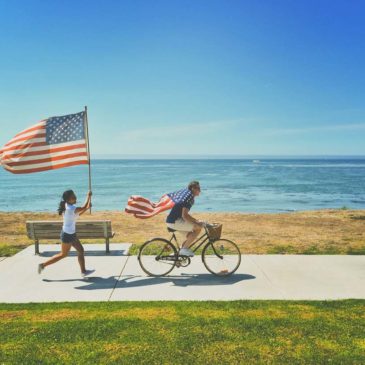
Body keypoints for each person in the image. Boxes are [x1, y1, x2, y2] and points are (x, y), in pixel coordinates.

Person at [38, 190, 94, 278]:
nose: (75, 198)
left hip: (71, 233)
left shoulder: (69, 206)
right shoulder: (70, 208)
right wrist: (88, 196)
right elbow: (82, 207)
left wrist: (87, 208)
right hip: (67, 235)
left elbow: (78, 214)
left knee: (81, 250)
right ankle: (43, 265)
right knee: (63, 254)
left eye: (75, 196)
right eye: (73, 197)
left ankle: (83, 271)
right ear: (68, 200)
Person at [166, 181, 203, 257]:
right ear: (193, 189)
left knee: (191, 236)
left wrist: (196, 221)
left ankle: (179, 253)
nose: (200, 190)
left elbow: (185, 215)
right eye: (198, 188)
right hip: (174, 221)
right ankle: (184, 250)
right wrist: (197, 223)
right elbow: (185, 216)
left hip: (173, 220)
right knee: (198, 228)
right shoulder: (189, 198)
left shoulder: (187, 194)